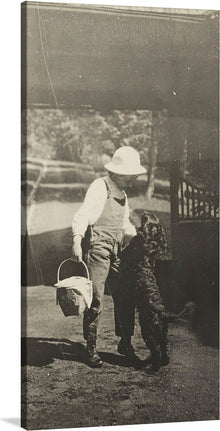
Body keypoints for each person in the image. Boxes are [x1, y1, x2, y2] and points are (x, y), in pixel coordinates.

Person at [71, 146, 146, 367]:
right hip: (98, 248)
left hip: (116, 250)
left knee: (124, 295)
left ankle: (125, 342)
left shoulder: (122, 194)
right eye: (131, 176)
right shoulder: (100, 187)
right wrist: (77, 240)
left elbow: (124, 226)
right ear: (119, 173)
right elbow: (83, 214)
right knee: (96, 297)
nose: (133, 180)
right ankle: (91, 347)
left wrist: (140, 237)